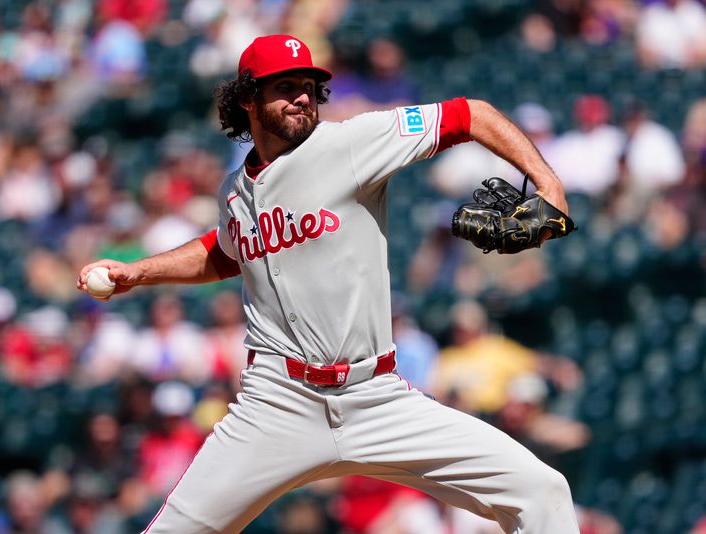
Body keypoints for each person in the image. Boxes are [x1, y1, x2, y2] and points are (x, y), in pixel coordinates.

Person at [77, 34, 579, 533]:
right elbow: (226, 252)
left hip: (376, 397)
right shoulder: (235, 191)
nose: (302, 96)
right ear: (247, 98)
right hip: (276, 403)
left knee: (542, 492)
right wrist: (137, 273)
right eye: (285, 86)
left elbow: (471, 114)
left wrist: (547, 182)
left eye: (310, 86)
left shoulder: (349, 142)